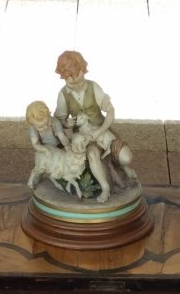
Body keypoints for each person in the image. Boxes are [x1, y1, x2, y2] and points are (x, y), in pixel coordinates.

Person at [53, 50, 138, 203]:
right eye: (69, 79)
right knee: (92, 154)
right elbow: (58, 119)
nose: (74, 81)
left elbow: (110, 111)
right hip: (84, 138)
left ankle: (123, 168)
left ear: (82, 70)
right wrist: (66, 123)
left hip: (102, 131)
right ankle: (105, 188)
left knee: (126, 158)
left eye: (77, 76)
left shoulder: (93, 87)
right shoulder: (63, 94)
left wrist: (100, 131)